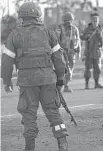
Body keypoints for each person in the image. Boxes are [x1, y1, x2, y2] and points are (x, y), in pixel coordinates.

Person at [1, 2, 69, 151]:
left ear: (21, 17)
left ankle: (29, 147)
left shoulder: (14, 34)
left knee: (28, 114)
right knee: (53, 111)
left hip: (27, 81)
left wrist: (6, 81)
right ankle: (63, 144)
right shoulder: (48, 32)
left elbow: (6, 62)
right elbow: (59, 59)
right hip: (48, 79)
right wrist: (60, 80)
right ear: (38, 15)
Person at [56, 12, 81, 92]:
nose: (68, 22)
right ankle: (60, 86)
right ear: (64, 20)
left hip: (71, 53)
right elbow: (56, 40)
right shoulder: (59, 28)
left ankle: (66, 85)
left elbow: (78, 40)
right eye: (66, 20)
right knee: (63, 69)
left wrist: (79, 51)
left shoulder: (75, 29)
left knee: (70, 69)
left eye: (70, 20)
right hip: (62, 53)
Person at [80, 13, 103, 89]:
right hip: (89, 52)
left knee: (97, 69)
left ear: (98, 21)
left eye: (96, 20)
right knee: (88, 69)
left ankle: (96, 84)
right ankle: (86, 84)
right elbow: (82, 37)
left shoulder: (100, 29)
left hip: (97, 52)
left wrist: (100, 36)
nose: (95, 22)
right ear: (91, 21)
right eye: (94, 20)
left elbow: (102, 42)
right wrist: (86, 37)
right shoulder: (87, 29)